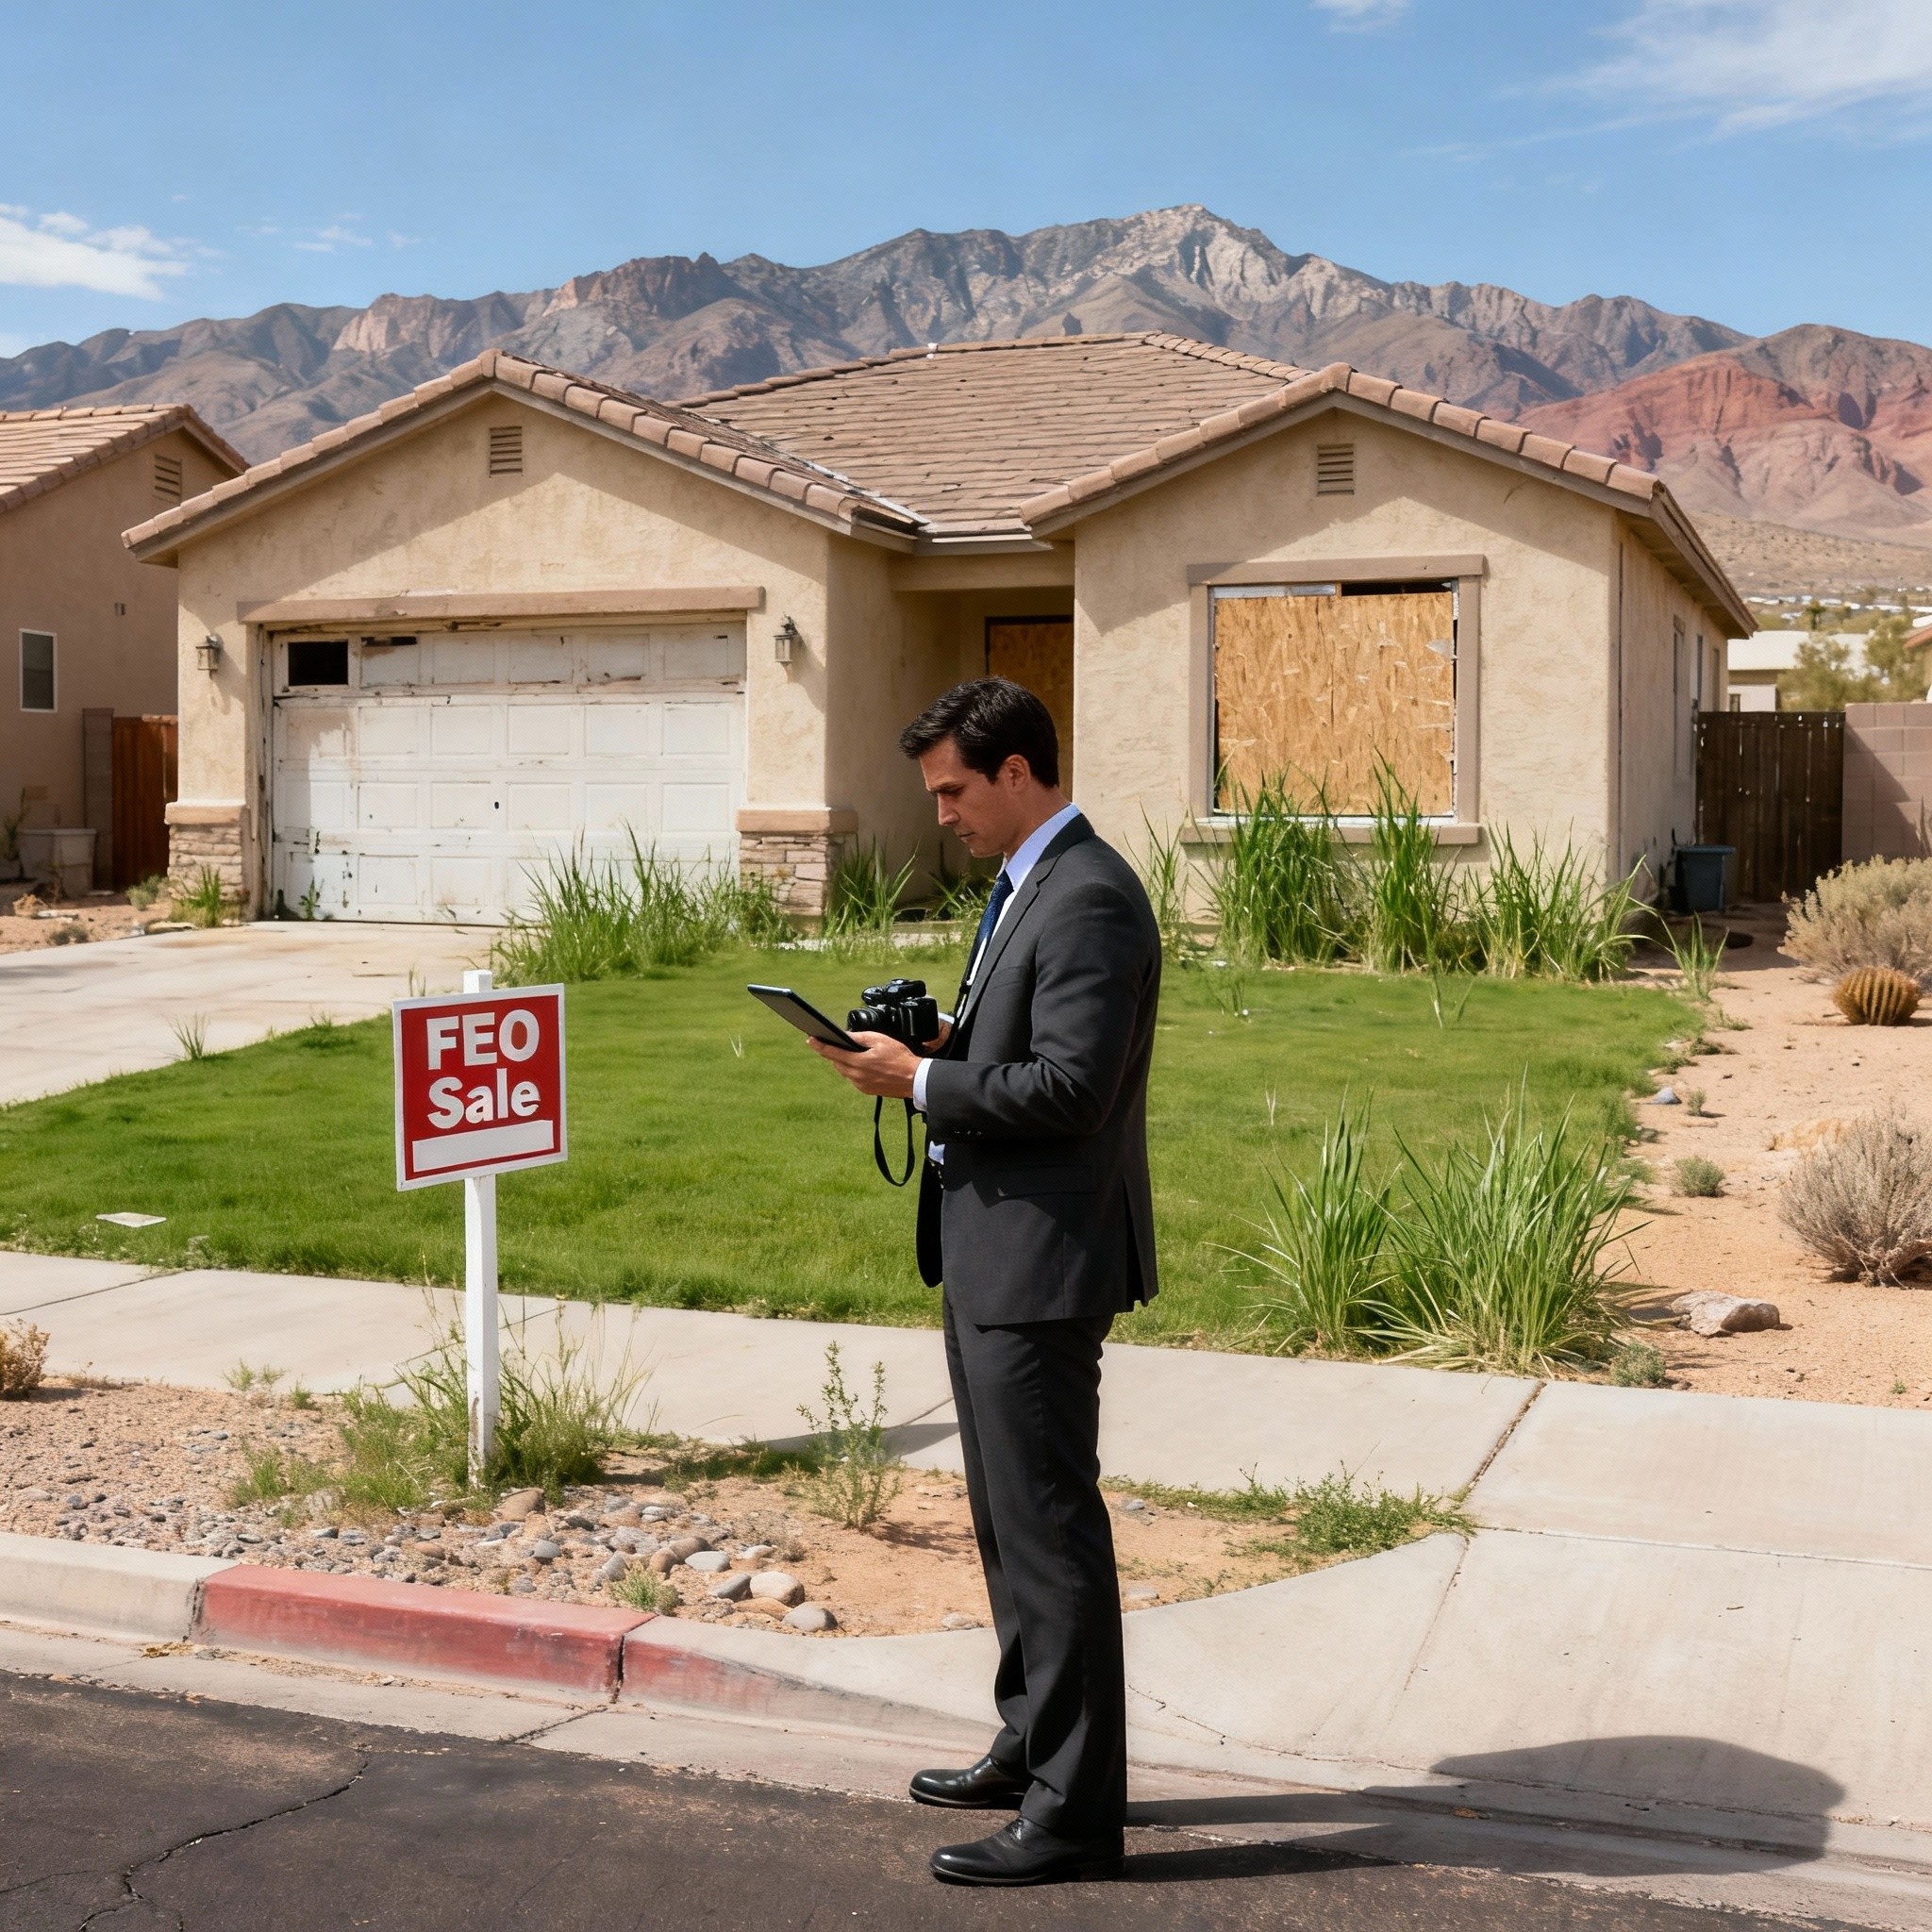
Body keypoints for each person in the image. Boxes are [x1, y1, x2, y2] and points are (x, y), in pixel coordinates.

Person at [810, 676, 1162, 1887]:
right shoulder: (1025, 887)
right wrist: (937, 1048)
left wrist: (918, 1083)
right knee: (1009, 1522)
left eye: (954, 789)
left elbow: (1072, 1088)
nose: (943, 814)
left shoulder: (1091, 897)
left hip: (1043, 1261)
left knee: (1052, 1529)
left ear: (1017, 772)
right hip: (986, 1250)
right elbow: (1018, 1051)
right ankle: (1030, 1741)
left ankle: (1073, 1811)